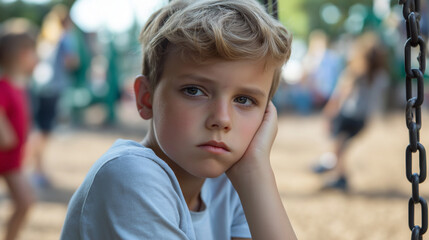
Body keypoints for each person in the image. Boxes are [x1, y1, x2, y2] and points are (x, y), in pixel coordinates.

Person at [61, 0, 297, 239]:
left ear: (267, 114)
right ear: (146, 98)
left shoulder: (232, 183)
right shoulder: (129, 176)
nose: (222, 119)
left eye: (244, 100)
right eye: (194, 90)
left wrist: (255, 172)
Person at [311, 32, 389, 191]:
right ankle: (334, 168)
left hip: (348, 116)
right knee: (340, 146)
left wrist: (328, 114)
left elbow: (339, 95)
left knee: (339, 145)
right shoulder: (382, 77)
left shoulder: (355, 73)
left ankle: (336, 172)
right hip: (362, 119)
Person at [28, 5, 81, 188]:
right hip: (54, 87)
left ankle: (37, 169)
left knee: (39, 130)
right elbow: (72, 61)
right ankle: (36, 171)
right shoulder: (66, 38)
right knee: (44, 131)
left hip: (41, 86)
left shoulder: (48, 37)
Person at [0, 31, 38, 240]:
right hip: (5, 158)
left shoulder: (20, 86)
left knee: (25, 202)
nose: (37, 58)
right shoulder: (4, 86)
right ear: (24, 55)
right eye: (34, 53)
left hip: (11, 160)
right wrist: (6, 135)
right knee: (25, 200)